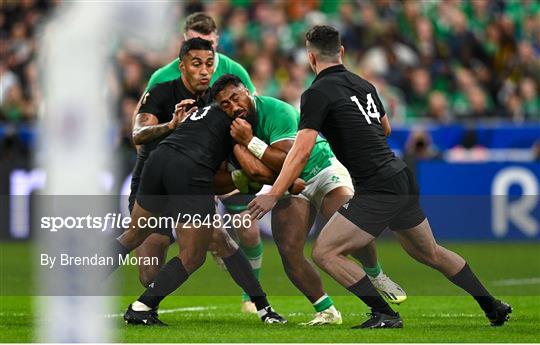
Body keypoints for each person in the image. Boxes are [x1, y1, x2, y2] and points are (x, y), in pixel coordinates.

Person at [248, 25, 512, 329]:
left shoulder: (316, 93)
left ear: (311, 58)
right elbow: (384, 128)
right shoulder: (364, 85)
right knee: (430, 252)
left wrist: (273, 192)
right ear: (342, 53)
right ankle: (491, 305)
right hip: (400, 175)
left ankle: (385, 313)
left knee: (325, 251)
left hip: (377, 185)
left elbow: (301, 151)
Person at [211, 74, 406, 325]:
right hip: (290, 186)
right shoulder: (232, 129)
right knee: (289, 250)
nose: (233, 107)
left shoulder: (276, 110)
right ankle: (326, 311)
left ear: (248, 92)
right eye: (225, 104)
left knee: (351, 231)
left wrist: (249, 141)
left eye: (236, 98)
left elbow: (290, 159)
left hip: (321, 168)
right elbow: (256, 172)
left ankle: (375, 272)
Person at [116, 38, 286, 326]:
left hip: (159, 161)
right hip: (188, 170)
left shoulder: (203, 108)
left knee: (214, 240)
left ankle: (263, 307)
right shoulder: (237, 120)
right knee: (193, 256)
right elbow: (254, 172)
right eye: (197, 64)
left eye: (210, 64)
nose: (234, 105)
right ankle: (142, 308)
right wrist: (287, 182)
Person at [133, 12, 263, 313]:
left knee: (246, 227)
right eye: (195, 48)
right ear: (183, 49)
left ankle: (254, 300)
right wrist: (170, 128)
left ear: (216, 42)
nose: (204, 68)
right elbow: (137, 133)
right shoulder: (162, 80)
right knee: (149, 272)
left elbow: (247, 117)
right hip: (162, 171)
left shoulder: (234, 73)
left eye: (208, 50)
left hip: (208, 170)